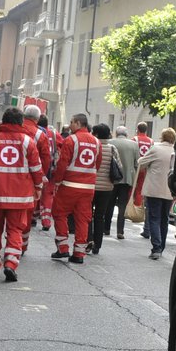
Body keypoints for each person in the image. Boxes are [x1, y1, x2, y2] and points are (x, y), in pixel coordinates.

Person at [0, 107, 43, 283]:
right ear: (21, 122)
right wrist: (39, 187)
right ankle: (11, 263)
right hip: (21, 196)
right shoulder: (28, 141)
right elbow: (36, 168)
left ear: (3, 121)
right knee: (16, 229)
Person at [50, 113, 101, 264]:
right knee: (83, 219)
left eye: (72, 122)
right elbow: (97, 165)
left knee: (59, 213)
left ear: (78, 123)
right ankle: (79, 253)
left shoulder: (71, 140)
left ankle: (63, 248)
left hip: (69, 185)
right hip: (88, 188)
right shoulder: (96, 142)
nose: (70, 125)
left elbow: (62, 163)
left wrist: (57, 181)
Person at [136, 127, 176, 259]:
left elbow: (141, 162)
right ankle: (161, 247)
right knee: (164, 219)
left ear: (162, 137)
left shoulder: (156, 149)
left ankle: (156, 247)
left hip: (154, 190)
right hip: (169, 191)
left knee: (154, 218)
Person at [22, 104, 56, 233]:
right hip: (32, 176)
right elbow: (46, 158)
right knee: (28, 207)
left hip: (8, 175)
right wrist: (42, 175)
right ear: (37, 118)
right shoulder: (41, 135)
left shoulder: (15, 128)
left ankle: (10, 241)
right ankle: (20, 243)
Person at [107, 126, 139, 241]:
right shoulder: (134, 145)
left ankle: (106, 228)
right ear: (126, 134)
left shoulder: (110, 142)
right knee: (122, 206)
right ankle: (120, 231)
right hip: (127, 179)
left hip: (112, 178)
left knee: (109, 204)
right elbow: (137, 163)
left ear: (116, 133)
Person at [87, 124, 115, 256]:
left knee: (87, 215)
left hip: (91, 185)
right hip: (107, 188)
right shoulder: (112, 149)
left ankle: (88, 240)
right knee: (100, 216)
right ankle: (97, 245)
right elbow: (118, 166)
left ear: (96, 134)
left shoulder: (93, 146)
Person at [134, 121, 154, 238]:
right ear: (146, 130)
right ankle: (138, 208)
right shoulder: (151, 141)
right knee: (141, 188)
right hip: (146, 169)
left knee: (134, 188)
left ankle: (133, 210)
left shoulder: (134, 139)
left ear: (137, 129)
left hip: (137, 167)